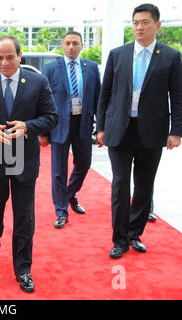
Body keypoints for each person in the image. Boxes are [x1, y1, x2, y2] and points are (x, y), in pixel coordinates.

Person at [0, 35, 58, 292]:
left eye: (9, 57)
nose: (4, 62)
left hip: (25, 161)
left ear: (20, 57)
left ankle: (23, 268)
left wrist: (28, 126)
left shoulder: (37, 82)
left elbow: (52, 117)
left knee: (24, 217)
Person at [96, 3, 182, 259]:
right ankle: (119, 239)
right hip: (119, 129)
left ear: (157, 25)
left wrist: (176, 130)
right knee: (120, 184)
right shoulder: (117, 54)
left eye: (145, 22)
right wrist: (100, 127)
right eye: (135, 22)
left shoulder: (171, 56)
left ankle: (135, 234)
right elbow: (105, 94)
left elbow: (178, 96)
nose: (139, 27)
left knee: (144, 186)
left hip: (152, 131)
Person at [41, 31, 101, 229]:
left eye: (75, 43)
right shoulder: (51, 69)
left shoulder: (91, 68)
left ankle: (69, 194)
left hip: (83, 122)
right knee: (58, 170)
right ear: (62, 46)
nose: (71, 47)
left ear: (82, 45)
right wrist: (42, 131)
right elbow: (43, 101)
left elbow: (99, 98)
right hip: (58, 125)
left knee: (84, 163)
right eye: (67, 43)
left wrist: (101, 127)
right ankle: (61, 211)